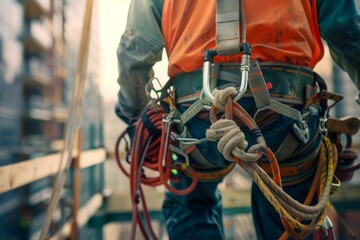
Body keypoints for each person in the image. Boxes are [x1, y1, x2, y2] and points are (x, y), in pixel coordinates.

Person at [115, 0, 360, 239]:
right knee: (292, 214)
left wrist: (135, 115)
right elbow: (346, 30)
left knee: (190, 204)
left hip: (194, 119)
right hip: (288, 114)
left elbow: (136, 49)